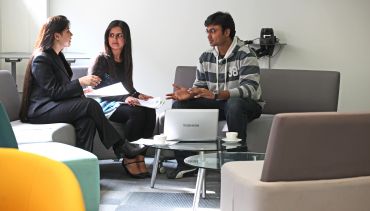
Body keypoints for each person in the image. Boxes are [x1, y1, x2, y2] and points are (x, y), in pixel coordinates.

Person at [19, 15, 148, 179]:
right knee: (89, 105)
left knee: (86, 120)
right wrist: (80, 83)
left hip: (53, 105)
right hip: (40, 110)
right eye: (67, 31)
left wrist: (82, 90)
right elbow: (54, 92)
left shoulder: (57, 56)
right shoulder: (42, 58)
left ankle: (83, 172)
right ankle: (121, 146)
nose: (71, 34)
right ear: (57, 35)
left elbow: (62, 89)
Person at [166, 11, 263, 179]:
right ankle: (186, 163)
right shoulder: (206, 57)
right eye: (207, 31)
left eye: (213, 31)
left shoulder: (246, 54)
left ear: (227, 32)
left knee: (234, 104)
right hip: (218, 103)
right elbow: (200, 86)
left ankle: (237, 163)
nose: (209, 36)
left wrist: (217, 95)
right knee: (178, 106)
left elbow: (250, 89)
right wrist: (189, 94)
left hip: (246, 104)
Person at [88, 20, 156, 178]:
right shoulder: (101, 59)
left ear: (126, 39)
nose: (114, 39)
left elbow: (126, 86)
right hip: (103, 104)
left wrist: (138, 95)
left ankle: (140, 156)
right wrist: (126, 98)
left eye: (119, 35)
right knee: (136, 113)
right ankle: (129, 158)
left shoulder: (126, 58)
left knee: (150, 111)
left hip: (120, 100)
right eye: (111, 35)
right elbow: (95, 89)